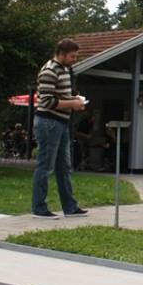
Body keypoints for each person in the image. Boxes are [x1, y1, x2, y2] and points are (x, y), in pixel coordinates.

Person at [31, 38, 88, 219]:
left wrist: (75, 98)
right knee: (45, 166)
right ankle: (39, 208)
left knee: (64, 166)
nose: (74, 60)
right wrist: (72, 103)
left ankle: (70, 207)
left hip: (61, 123)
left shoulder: (64, 69)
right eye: (72, 56)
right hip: (49, 122)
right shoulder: (49, 71)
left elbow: (60, 94)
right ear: (61, 54)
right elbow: (46, 101)